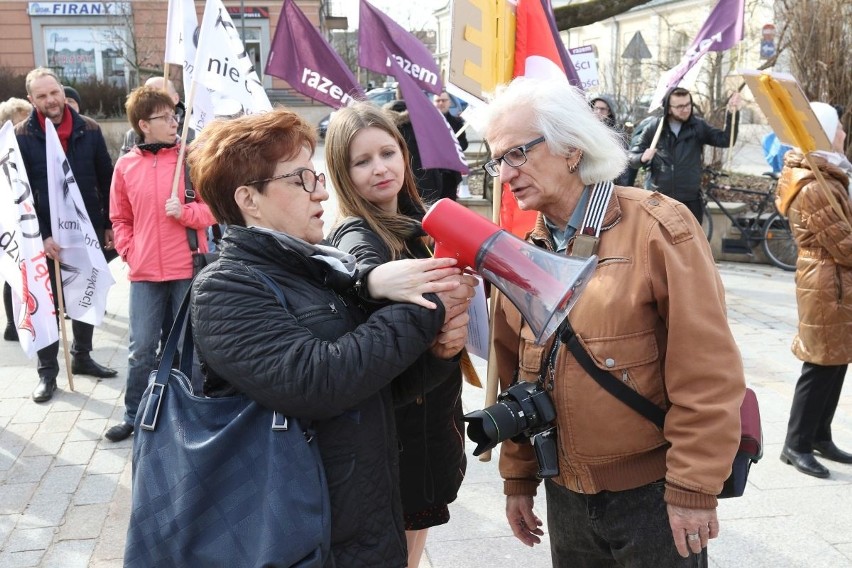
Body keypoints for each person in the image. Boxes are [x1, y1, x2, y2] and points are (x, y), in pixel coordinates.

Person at [186, 107, 474, 567]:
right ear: (250, 200)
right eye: (300, 179)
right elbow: (320, 382)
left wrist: (439, 353)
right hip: (298, 531)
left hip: (357, 520)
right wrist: (431, 303)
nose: (321, 189)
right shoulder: (227, 287)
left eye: (315, 175)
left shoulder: (315, 269)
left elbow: (375, 387)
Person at [481, 77, 745, 565]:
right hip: (565, 496)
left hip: (654, 496)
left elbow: (707, 371)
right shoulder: (523, 252)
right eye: (496, 160)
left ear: (572, 149)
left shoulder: (658, 227)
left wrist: (692, 486)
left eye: (516, 153)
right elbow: (520, 371)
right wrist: (517, 476)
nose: (505, 174)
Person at [325, 102, 471, 568]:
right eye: (361, 161)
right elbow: (361, 271)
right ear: (341, 172)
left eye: (388, 153)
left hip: (429, 422)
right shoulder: (356, 233)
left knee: (413, 542)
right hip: (400, 431)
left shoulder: (417, 222)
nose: (379, 169)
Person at [103, 86, 216, 443]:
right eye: (165, 117)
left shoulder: (190, 160)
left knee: (189, 349)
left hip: (187, 267)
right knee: (141, 350)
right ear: (143, 124)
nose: (174, 121)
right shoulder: (125, 165)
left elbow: (214, 211)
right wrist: (129, 251)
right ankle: (134, 415)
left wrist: (186, 213)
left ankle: (190, 413)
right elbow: (119, 218)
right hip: (144, 272)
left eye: (175, 115)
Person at [15, 67, 117, 403]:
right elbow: (20, 194)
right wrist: (41, 236)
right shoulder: (20, 137)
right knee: (47, 304)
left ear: (62, 91)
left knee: (85, 293)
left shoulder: (89, 129)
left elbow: (107, 179)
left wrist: (109, 225)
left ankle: (83, 357)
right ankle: (47, 374)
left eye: (54, 92)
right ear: (32, 100)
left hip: (85, 231)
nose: (51, 101)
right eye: (42, 96)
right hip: (43, 238)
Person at [777, 101, 852, 478]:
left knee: (836, 358)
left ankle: (820, 434)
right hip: (826, 278)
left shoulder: (827, 173)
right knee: (820, 361)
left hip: (834, 277)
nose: (843, 133)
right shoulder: (813, 184)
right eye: (837, 127)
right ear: (822, 132)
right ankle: (796, 443)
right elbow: (843, 242)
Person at [628, 87, 741, 224]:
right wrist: (642, 157)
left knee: (690, 243)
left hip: (690, 199)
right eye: (680, 106)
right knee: (660, 243)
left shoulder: (698, 126)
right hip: (660, 199)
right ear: (669, 108)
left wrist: (731, 113)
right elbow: (631, 157)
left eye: (688, 104)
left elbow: (726, 139)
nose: (686, 109)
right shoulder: (654, 127)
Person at [1, 96, 33, 342]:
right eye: (23, 118)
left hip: (24, 214)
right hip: (7, 217)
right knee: (12, 267)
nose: (28, 122)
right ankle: (13, 323)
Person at [120, 77, 185, 156]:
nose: (155, 99)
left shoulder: (192, 130)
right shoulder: (133, 134)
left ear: (176, 98)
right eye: (149, 94)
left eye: (160, 93)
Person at [431, 90, 469, 200]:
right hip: (432, 174)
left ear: (449, 103)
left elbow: (464, 143)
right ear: (433, 103)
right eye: (438, 101)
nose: (441, 103)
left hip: (450, 174)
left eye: (444, 100)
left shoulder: (457, 123)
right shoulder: (426, 123)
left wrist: (453, 146)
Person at [589, 95, 633, 186]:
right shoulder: (586, 131)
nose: (598, 112)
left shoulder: (616, 135)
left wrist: (621, 188)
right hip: (587, 179)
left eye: (602, 109)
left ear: (609, 111)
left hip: (607, 182)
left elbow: (623, 165)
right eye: (596, 108)